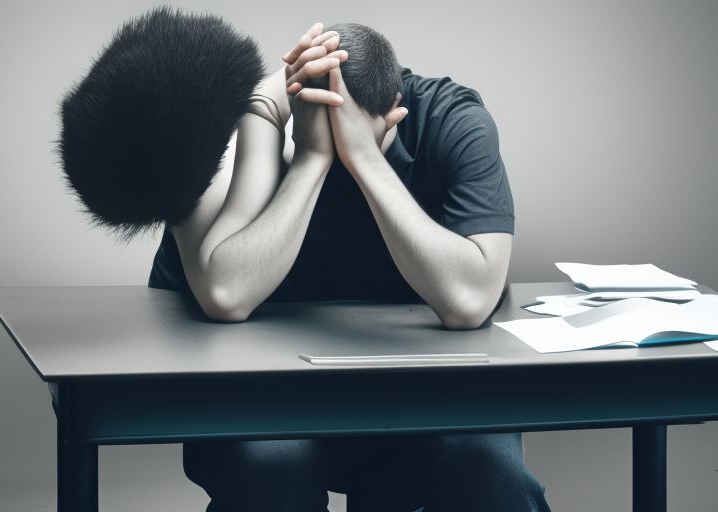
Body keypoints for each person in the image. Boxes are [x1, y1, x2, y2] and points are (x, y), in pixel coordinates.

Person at [60, 9, 550, 511]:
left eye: (352, 141)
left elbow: (469, 301)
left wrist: (364, 158)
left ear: (397, 110)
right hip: (262, 392)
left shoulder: (454, 120)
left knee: (491, 472)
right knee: (272, 468)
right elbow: (226, 292)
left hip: (423, 389)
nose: (336, 155)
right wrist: (308, 154)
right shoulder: (225, 119)